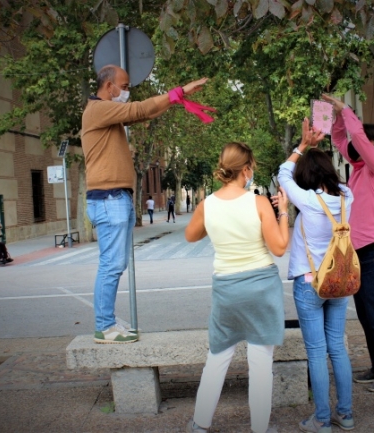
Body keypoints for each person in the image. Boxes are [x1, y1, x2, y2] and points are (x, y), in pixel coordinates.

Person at [81, 64, 208, 344]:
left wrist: (174, 101)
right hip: (109, 198)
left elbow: (145, 112)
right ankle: (104, 326)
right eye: (124, 87)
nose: (127, 92)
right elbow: (139, 109)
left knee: (115, 264)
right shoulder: (98, 109)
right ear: (108, 86)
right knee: (111, 265)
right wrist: (179, 92)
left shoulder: (108, 115)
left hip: (116, 197)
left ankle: (108, 323)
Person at [184, 142, 290, 433]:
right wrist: (283, 214)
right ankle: (260, 428)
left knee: (218, 357)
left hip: (226, 289)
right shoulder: (257, 203)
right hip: (261, 289)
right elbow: (279, 248)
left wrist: (214, 221)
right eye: (252, 168)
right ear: (246, 170)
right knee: (260, 363)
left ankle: (200, 423)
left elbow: (191, 236)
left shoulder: (208, 205)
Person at [277, 118, 355, 432]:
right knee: (337, 347)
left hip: (310, 284)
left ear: (307, 176)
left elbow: (282, 173)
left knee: (317, 352)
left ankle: (322, 419)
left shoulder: (308, 201)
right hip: (340, 281)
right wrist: (317, 150)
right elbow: (336, 182)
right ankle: (346, 414)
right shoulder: (347, 197)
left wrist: (303, 146)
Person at [323, 94, 374, 392]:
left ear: (372, 146)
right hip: (357, 255)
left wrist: (347, 110)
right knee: (368, 316)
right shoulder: (356, 173)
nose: (354, 149)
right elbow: (342, 139)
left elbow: (356, 137)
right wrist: (335, 117)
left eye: (362, 145)